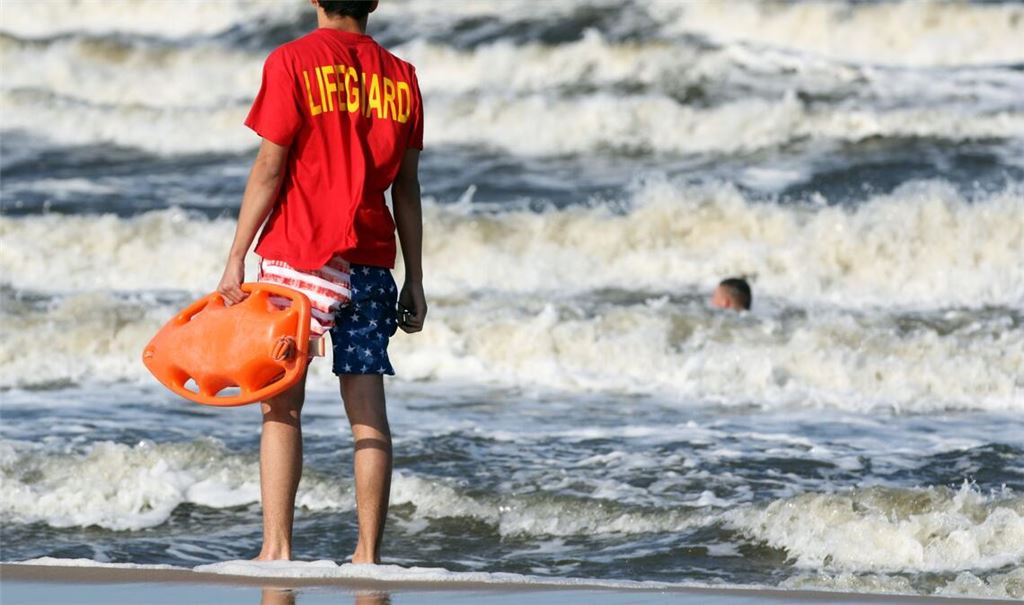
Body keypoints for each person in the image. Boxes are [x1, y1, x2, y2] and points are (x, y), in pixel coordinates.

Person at [215, 0, 426, 565]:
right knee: (368, 409)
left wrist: (236, 255)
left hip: (298, 258)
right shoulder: (401, 76)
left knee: (281, 407)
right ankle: (367, 556)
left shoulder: (291, 61)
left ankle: (276, 550)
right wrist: (416, 278)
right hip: (372, 260)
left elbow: (269, 166)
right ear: (374, 1)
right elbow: (406, 188)